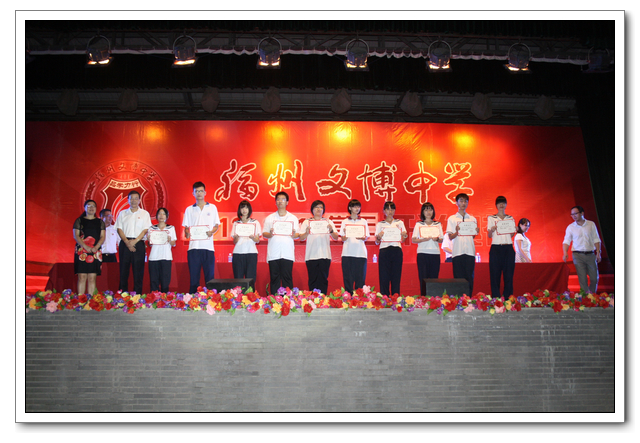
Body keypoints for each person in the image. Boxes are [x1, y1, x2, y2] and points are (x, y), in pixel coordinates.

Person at [183, 182, 220, 294]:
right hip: (193, 248)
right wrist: (187, 233)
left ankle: (211, 300)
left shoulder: (212, 207)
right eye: (196, 191)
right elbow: (186, 227)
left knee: (210, 278)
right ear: (193, 193)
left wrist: (211, 232)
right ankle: (193, 301)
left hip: (208, 248)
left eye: (201, 191)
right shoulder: (189, 209)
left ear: (205, 192)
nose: (199, 193)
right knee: (194, 278)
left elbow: (216, 225)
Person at [262, 191, 300, 294]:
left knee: (287, 279)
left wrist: (293, 234)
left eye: (283, 199)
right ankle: (275, 301)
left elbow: (297, 234)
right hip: (273, 253)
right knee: (274, 279)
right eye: (278, 199)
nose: (280, 201)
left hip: (287, 253)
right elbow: (264, 233)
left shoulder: (293, 218)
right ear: (275, 202)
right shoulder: (270, 218)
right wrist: (270, 234)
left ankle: (288, 301)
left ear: (287, 202)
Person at [299, 200, 339, 295]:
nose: (318, 209)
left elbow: (336, 237)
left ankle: (323, 300)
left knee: (323, 279)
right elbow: (301, 238)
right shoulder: (307, 222)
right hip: (311, 256)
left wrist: (331, 230)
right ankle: (312, 299)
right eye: (316, 207)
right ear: (312, 209)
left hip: (325, 255)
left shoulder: (328, 222)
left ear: (323, 210)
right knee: (312, 280)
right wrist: (307, 232)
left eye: (321, 207)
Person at [115, 190, 151, 294]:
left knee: (138, 272)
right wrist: (127, 242)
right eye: (131, 198)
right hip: (125, 243)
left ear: (139, 200)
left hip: (138, 243)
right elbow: (119, 228)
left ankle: (137, 296)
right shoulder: (122, 213)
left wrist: (135, 241)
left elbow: (145, 229)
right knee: (123, 271)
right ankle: (122, 296)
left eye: (136, 198)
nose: (133, 200)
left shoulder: (145, 214)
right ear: (128, 200)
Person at [446, 193, 480, 296]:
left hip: (470, 252)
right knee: (458, 278)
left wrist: (475, 232)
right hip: (457, 252)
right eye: (461, 201)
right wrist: (457, 232)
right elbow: (450, 237)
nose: (463, 203)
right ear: (456, 203)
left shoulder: (472, 219)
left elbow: (471, 236)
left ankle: (468, 299)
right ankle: (459, 300)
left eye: (466, 201)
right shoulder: (452, 219)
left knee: (470, 277)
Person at [563, 206, 602, 293]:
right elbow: (566, 241)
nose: (573, 216)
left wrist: (598, 252)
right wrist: (565, 252)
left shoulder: (591, 224)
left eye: (575, 213)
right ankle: (586, 297)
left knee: (594, 278)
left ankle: (592, 295)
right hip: (578, 255)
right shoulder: (570, 227)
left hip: (590, 254)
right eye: (572, 214)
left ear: (582, 213)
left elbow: (596, 239)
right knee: (582, 278)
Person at [375, 201, 408, 296]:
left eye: (392, 209)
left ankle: (395, 297)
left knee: (396, 276)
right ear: (384, 211)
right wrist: (379, 237)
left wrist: (404, 236)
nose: (390, 211)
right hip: (384, 251)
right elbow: (377, 242)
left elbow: (402, 240)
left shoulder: (399, 223)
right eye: (388, 209)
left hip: (396, 250)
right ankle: (384, 298)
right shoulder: (380, 224)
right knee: (384, 276)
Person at [73, 199, 105, 295]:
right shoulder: (79, 221)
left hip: (95, 251)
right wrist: (85, 246)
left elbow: (103, 237)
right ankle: (81, 300)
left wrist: (97, 246)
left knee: (92, 278)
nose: (91, 208)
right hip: (82, 251)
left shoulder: (100, 222)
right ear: (85, 208)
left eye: (93, 206)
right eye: (89, 206)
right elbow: (76, 236)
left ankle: (91, 301)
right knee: (82, 277)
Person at [487, 196, 517, 298]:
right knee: (495, 275)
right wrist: (492, 229)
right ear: (496, 205)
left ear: (506, 205)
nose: (501, 205)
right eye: (499, 203)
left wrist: (514, 230)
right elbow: (489, 235)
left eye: (503, 203)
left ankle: (508, 298)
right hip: (496, 248)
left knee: (509, 275)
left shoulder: (510, 218)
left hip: (508, 248)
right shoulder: (491, 218)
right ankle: (496, 299)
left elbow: (511, 235)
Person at [412, 202, 443, 295]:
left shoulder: (437, 224)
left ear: (433, 211)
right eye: (426, 210)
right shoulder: (419, 224)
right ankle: (423, 299)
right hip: (422, 253)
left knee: (434, 278)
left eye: (430, 210)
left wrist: (436, 239)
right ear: (423, 212)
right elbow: (413, 239)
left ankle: (433, 299)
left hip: (435, 253)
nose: (428, 212)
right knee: (423, 278)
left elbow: (441, 239)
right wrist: (423, 240)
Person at [339, 199, 370, 293]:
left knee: (360, 279)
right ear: (350, 208)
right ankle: (348, 298)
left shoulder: (363, 221)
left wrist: (362, 237)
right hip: (347, 253)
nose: (357, 208)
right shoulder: (345, 222)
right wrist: (345, 233)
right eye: (355, 206)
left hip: (360, 254)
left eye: (358, 207)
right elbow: (343, 239)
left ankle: (359, 299)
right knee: (348, 279)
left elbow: (365, 237)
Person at [147, 208, 177, 293]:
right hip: (154, 257)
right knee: (154, 281)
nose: (161, 216)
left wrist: (170, 240)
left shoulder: (171, 228)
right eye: (159, 214)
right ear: (156, 216)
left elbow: (173, 243)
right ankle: (154, 298)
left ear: (167, 216)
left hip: (166, 257)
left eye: (163, 214)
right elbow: (150, 244)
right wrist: (149, 240)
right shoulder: (151, 228)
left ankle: (165, 298)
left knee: (165, 281)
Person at [231, 200, 261, 281]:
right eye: (242, 208)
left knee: (250, 278)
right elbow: (234, 241)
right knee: (238, 278)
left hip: (251, 252)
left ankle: (250, 290)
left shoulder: (255, 222)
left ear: (249, 210)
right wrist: (236, 238)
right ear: (239, 210)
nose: (244, 210)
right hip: (238, 252)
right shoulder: (236, 223)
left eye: (246, 208)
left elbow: (257, 240)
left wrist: (252, 238)